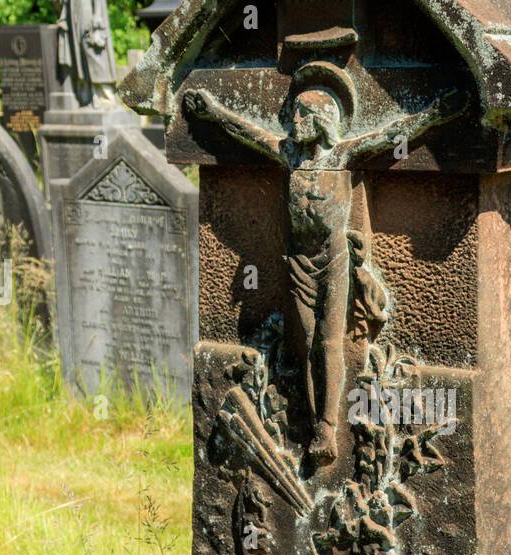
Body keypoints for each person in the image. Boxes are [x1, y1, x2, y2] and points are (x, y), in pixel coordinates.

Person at [185, 72, 465, 462]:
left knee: (329, 342)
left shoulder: (344, 156)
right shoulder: (289, 154)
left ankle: (327, 428)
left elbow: (390, 134)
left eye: (301, 115)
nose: (292, 122)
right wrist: (213, 112)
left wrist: (435, 113)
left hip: (333, 260)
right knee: (304, 343)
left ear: (321, 121)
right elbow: (247, 132)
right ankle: (311, 421)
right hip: (297, 261)